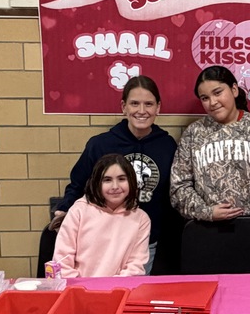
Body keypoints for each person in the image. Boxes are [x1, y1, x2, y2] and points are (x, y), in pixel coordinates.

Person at [50, 75, 176, 273]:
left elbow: (172, 193)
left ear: (158, 108)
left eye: (149, 104)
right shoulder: (100, 144)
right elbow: (78, 183)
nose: (141, 111)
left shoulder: (167, 146)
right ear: (123, 106)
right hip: (101, 241)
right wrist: (64, 210)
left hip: (146, 241)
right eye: (134, 103)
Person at [170, 66, 250, 263]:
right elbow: (178, 187)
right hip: (204, 231)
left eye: (218, 93)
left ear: (233, 90)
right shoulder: (194, 134)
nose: (212, 102)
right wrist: (207, 212)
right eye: (205, 98)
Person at [50, 154, 150, 279]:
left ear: (131, 181)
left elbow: (135, 266)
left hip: (119, 290)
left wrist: (113, 290)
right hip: (79, 290)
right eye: (107, 180)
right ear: (97, 183)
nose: (115, 186)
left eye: (121, 179)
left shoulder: (141, 219)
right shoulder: (79, 211)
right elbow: (62, 262)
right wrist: (82, 289)